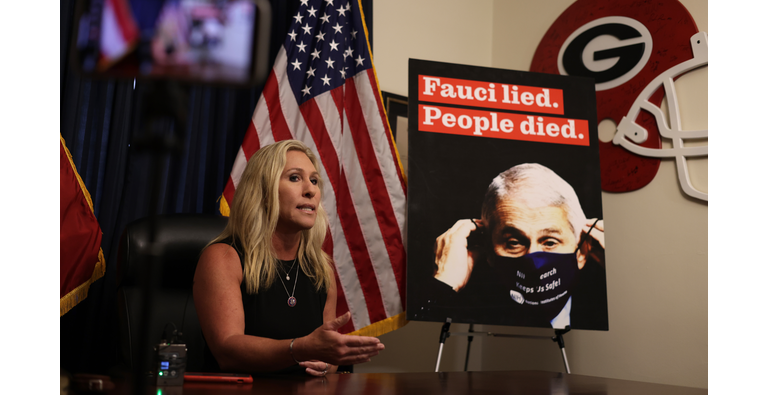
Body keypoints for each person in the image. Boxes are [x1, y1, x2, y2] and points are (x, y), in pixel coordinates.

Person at [193, 140, 385, 376]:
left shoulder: (322, 268)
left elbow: (327, 350)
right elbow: (227, 350)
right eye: (295, 178)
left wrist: (328, 363)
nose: (311, 190)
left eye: (314, 181)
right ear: (263, 192)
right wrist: (300, 348)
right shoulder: (223, 257)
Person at [431, 163, 607, 329]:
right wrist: (445, 283)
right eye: (514, 243)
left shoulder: (602, 311)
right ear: (490, 252)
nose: (534, 261)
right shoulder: (465, 313)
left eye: (550, 242)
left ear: (582, 252)